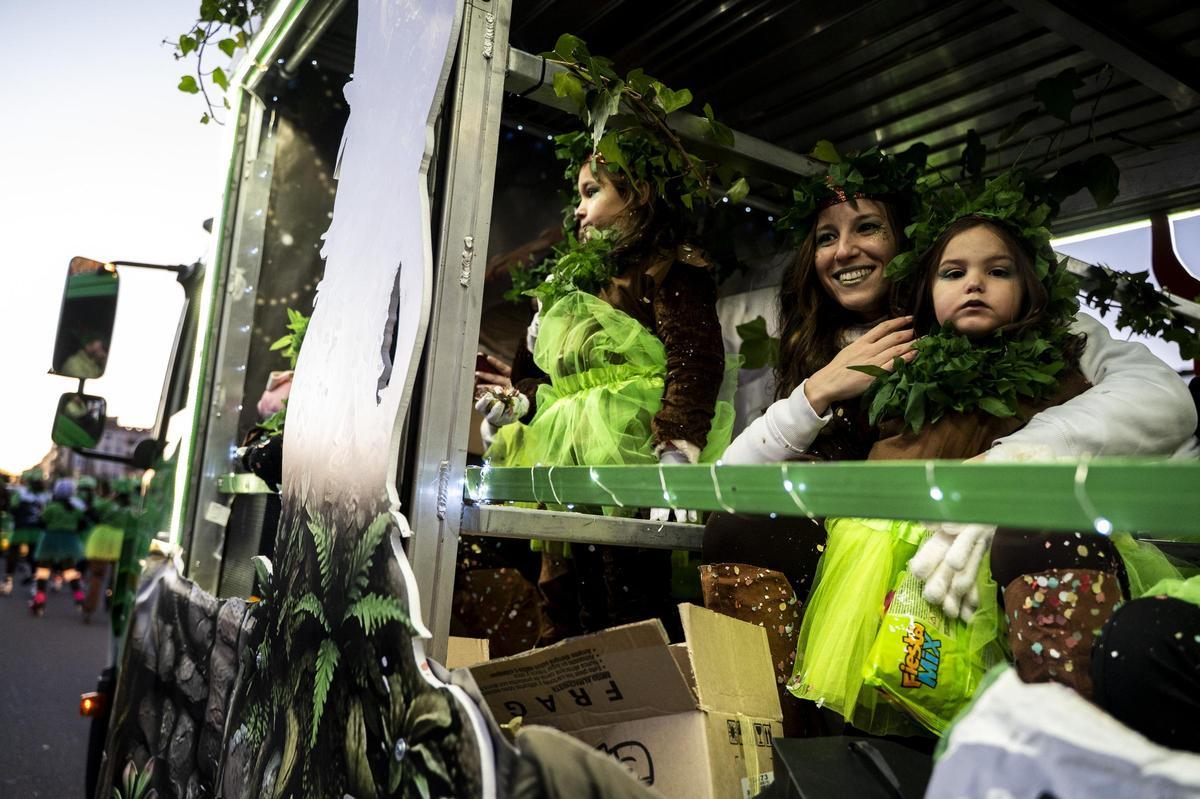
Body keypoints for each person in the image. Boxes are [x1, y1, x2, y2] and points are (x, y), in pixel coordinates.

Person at [477, 73, 735, 640]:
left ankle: (647, 700)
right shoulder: (580, 291)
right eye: (578, 195)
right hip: (572, 452)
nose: (579, 209)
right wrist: (521, 407)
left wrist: (677, 451)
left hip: (633, 447)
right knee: (574, 585)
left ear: (638, 194)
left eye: (592, 192)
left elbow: (694, 361)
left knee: (632, 592)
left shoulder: (669, 269)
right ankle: (585, 690)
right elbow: (553, 382)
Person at [30, 478, 88, 615]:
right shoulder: (75, 509)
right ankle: (79, 598)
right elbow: (83, 525)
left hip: (50, 539)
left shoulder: (51, 507)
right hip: (69, 541)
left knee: (43, 571)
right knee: (70, 571)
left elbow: (41, 523)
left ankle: (39, 601)